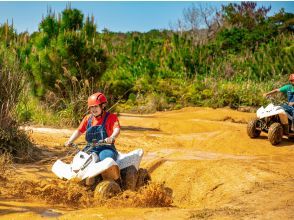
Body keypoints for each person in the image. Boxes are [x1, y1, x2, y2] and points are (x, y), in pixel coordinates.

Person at [65, 92, 120, 163]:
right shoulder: (87, 118)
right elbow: (79, 131)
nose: (94, 109)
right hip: (90, 148)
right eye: (91, 107)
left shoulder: (111, 117)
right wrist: (70, 140)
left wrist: (112, 137)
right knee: (79, 161)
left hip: (106, 148)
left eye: (96, 106)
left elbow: (117, 129)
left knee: (106, 160)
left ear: (103, 106)